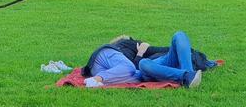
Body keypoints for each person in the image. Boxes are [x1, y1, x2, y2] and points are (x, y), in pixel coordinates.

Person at [81, 32, 213, 88]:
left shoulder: (125, 49)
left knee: (179, 35)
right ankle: (186, 76)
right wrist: (140, 54)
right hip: (147, 69)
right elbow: (132, 67)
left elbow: (157, 50)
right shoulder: (121, 45)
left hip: (161, 64)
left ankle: (189, 74)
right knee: (143, 64)